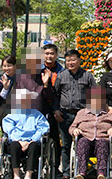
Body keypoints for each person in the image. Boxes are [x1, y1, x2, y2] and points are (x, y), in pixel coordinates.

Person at [54, 50, 97, 179]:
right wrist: (56, 110)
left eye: (73, 60)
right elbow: (56, 95)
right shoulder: (61, 76)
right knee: (66, 145)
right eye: (68, 60)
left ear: (79, 60)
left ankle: (83, 170)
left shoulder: (88, 76)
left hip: (83, 116)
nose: (70, 63)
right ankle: (66, 172)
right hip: (65, 115)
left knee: (83, 143)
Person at [69, 86, 112, 179]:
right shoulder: (82, 113)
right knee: (82, 142)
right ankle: (81, 173)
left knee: (102, 144)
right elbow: (72, 127)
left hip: (103, 139)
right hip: (85, 137)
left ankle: (101, 173)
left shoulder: (109, 113)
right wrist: (75, 130)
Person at [2, 88, 50, 179]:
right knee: (14, 146)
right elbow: (9, 130)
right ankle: (16, 175)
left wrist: (32, 140)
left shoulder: (37, 114)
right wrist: (19, 141)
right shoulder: (12, 115)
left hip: (32, 141)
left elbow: (43, 128)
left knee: (34, 146)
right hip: (17, 141)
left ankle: (28, 175)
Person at [42, 43, 65, 178]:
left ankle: (56, 168)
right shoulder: (37, 70)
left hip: (56, 108)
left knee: (56, 139)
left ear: (56, 55)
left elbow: (61, 93)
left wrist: (57, 109)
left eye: (52, 54)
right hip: (40, 107)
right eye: (47, 53)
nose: (49, 56)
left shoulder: (61, 71)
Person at [0, 55, 17, 122]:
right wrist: (5, 89)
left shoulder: (20, 80)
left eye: (9, 66)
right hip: (5, 115)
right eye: (4, 66)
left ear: (15, 66)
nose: (6, 68)